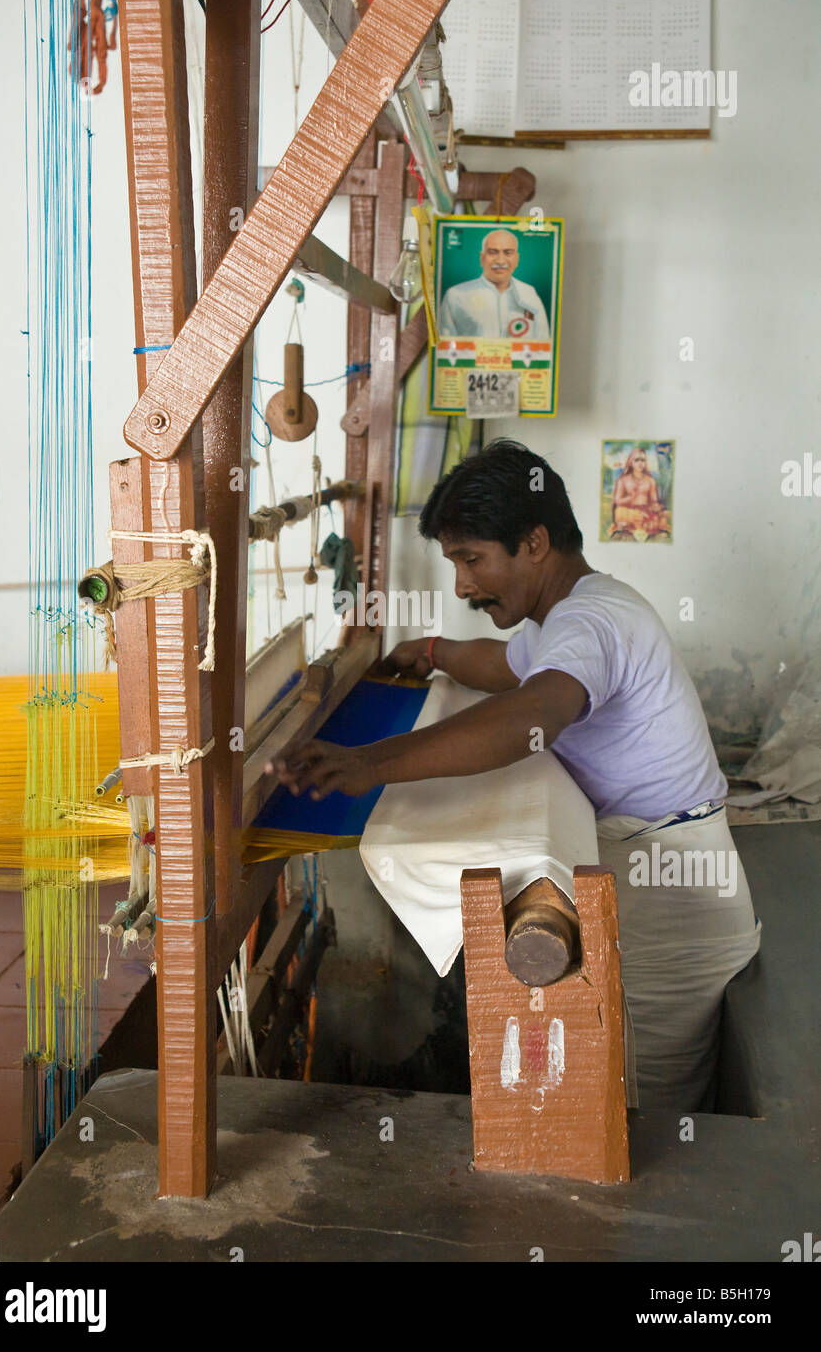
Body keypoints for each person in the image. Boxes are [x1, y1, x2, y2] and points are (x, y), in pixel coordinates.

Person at [266, 441, 760, 1109]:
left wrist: (370, 764)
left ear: (534, 543)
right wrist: (432, 651)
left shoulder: (590, 622)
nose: (464, 585)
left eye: (472, 560)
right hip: (656, 869)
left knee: (647, 1118)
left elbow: (532, 709)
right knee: (626, 1101)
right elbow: (505, 666)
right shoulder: (571, 614)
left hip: (673, 902)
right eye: (455, 564)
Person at [438, 230, 551, 341]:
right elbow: (444, 348)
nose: (500, 261)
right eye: (492, 252)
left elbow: (543, 343)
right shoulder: (456, 295)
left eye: (508, 253)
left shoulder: (529, 294)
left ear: (517, 259)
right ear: (482, 258)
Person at [609, 446, 671, 539]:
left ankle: (642, 525)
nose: (640, 463)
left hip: (646, 511)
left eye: (643, 460)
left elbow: (654, 501)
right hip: (628, 512)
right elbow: (618, 501)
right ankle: (634, 525)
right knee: (619, 512)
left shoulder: (650, 480)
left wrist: (655, 507)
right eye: (637, 460)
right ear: (631, 462)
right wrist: (631, 498)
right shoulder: (623, 480)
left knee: (659, 517)